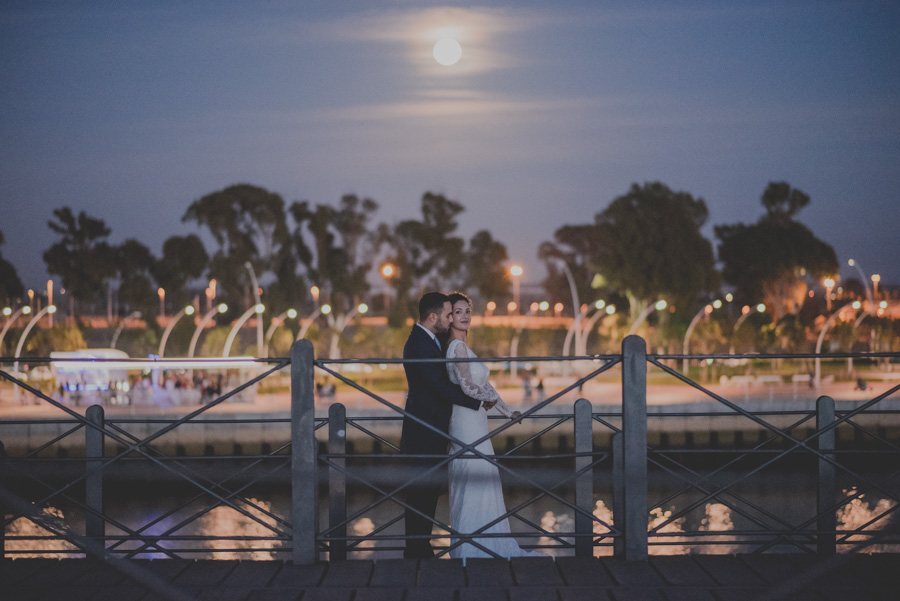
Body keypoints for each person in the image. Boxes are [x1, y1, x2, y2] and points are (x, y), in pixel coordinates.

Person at [441, 291, 545, 559]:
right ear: (449, 317)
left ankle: (485, 540)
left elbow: (484, 386)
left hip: (475, 418)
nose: (465, 316)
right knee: (473, 472)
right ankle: (471, 547)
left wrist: (507, 410)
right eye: (458, 312)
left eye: (467, 311)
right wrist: (486, 400)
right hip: (465, 420)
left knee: (482, 472)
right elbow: (468, 385)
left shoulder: (465, 347)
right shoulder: (457, 347)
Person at [400, 291, 492, 559]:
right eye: (448, 314)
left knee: (428, 493)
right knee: (419, 493)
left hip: (433, 427)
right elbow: (439, 387)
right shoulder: (418, 343)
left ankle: (421, 548)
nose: (452, 318)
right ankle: (415, 552)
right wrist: (477, 402)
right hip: (422, 429)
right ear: (432, 317)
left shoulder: (430, 339)